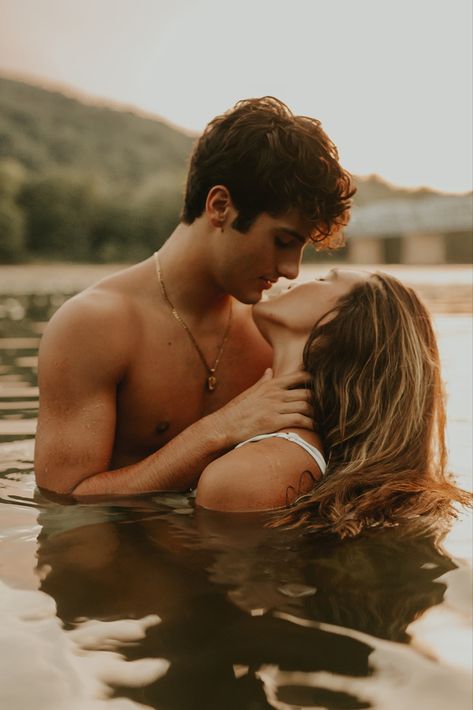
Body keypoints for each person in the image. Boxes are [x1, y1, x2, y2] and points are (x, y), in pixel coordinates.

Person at [34, 96, 354, 497]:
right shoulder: (95, 325)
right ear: (220, 206)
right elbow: (64, 498)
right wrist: (218, 430)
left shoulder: (273, 335)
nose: (292, 269)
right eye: (283, 241)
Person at [196, 269, 472, 538]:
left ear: (335, 320)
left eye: (322, 279)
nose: (294, 276)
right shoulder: (286, 459)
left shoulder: (252, 472)